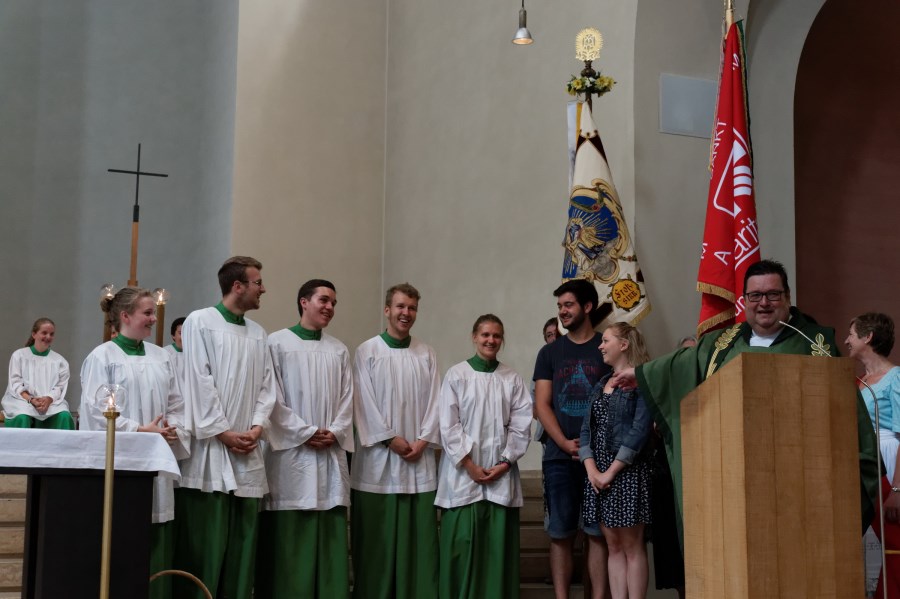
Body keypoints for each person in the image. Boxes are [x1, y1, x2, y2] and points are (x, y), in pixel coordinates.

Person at [609, 259, 880, 544]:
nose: (764, 303)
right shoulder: (722, 345)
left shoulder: (814, 344)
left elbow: (843, 414)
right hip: (733, 480)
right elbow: (679, 366)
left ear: (787, 297)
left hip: (799, 482)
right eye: (755, 295)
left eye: (773, 294)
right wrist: (640, 374)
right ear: (744, 300)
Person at [172, 256, 275, 599]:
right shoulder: (200, 321)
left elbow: (267, 387)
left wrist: (257, 427)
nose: (263, 289)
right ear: (237, 286)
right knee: (206, 545)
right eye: (258, 283)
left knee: (241, 547)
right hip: (210, 450)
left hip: (247, 449)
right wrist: (222, 432)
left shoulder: (259, 333)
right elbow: (199, 380)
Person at [80, 287, 189, 599]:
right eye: (148, 313)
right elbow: (95, 411)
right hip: (121, 462)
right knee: (123, 534)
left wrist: (172, 428)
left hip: (157, 458)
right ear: (125, 316)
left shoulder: (161, 356)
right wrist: (140, 430)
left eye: (154, 312)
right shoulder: (102, 357)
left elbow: (177, 403)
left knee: (156, 533)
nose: (154, 319)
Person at [256, 279, 354, 599]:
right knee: (290, 541)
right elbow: (271, 398)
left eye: (333, 303)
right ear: (303, 302)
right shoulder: (277, 343)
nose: (330, 307)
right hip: (290, 457)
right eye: (324, 300)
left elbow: (347, 399)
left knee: (330, 534)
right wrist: (305, 432)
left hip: (329, 454)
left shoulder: (338, 349)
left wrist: (335, 431)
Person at [350, 283, 441, 599]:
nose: (406, 313)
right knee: (377, 545)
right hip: (378, 462)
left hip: (418, 459)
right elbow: (362, 401)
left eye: (412, 308)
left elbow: (436, 402)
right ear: (387, 309)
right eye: (401, 306)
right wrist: (390, 439)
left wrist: (423, 440)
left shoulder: (426, 353)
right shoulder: (367, 351)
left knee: (419, 544)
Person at [436, 314, 532, 599]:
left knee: (496, 552)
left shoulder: (511, 379)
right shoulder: (456, 375)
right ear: (474, 337)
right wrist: (469, 465)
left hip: (500, 476)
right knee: (461, 547)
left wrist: (504, 462)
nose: (491, 340)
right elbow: (448, 425)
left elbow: (521, 425)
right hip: (463, 477)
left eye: (496, 336)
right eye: (485, 335)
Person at [534, 279, 612, 599]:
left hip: (601, 458)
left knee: (597, 534)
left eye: (568, 305)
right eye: (560, 306)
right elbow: (542, 404)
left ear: (587, 307)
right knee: (560, 533)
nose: (562, 311)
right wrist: (564, 443)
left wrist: (594, 448)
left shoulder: (606, 347)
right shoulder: (549, 352)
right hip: (559, 456)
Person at [580, 322, 652, 599]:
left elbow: (639, 431)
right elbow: (586, 431)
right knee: (613, 547)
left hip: (627, 473)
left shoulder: (640, 381)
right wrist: (592, 470)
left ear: (623, 344)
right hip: (598, 476)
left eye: (606, 340)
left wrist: (610, 472)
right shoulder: (601, 384)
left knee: (632, 547)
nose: (600, 345)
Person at [846, 312, 900, 599]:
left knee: (894, 542)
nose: (846, 341)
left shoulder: (896, 377)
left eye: (851, 334)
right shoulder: (857, 381)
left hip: (887, 460)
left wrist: (898, 489)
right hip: (860, 459)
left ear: (868, 337)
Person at [2, 318, 75, 429]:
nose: (48, 337)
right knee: (22, 416)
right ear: (34, 334)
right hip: (22, 400)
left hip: (51, 403)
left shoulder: (60, 361)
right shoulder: (19, 355)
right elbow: (15, 383)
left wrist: (49, 399)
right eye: (44, 333)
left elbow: (60, 387)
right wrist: (31, 399)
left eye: (51, 334)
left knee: (64, 416)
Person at [164, 317, 186, 382]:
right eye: (180, 333)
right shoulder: (165, 353)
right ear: (173, 335)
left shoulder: (196, 355)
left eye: (188, 333)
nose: (185, 337)